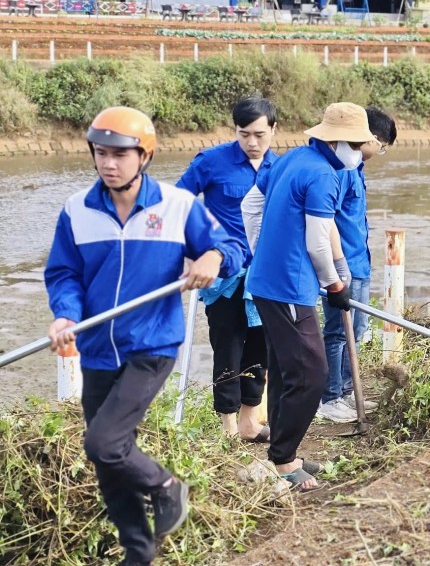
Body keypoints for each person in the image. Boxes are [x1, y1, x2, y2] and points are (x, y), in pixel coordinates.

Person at [45, 107, 244, 566]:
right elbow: (64, 274)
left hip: (150, 344)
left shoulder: (177, 206)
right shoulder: (77, 211)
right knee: (109, 460)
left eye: (119, 154)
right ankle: (138, 554)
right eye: (100, 153)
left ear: (144, 155)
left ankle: (168, 486)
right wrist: (64, 316)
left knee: (101, 442)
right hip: (96, 347)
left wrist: (212, 258)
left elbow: (230, 246)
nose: (108, 163)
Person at [240, 102, 376, 492]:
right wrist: (335, 285)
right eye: (353, 143)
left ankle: (286, 454)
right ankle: (283, 462)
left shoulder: (293, 159)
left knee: (286, 372)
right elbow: (316, 241)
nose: (358, 151)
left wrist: (261, 249)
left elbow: (253, 204)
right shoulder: (322, 175)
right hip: (287, 287)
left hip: (271, 282)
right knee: (313, 375)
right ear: (332, 141)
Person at [176, 97, 279, 442]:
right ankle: (228, 428)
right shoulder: (211, 162)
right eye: (244, 134)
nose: (252, 142)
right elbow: (179, 204)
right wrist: (194, 251)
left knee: (260, 347)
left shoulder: (279, 168)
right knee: (228, 347)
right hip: (224, 276)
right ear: (234, 130)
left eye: (259, 135)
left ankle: (250, 423)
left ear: (274, 131)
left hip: (265, 274)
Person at [316, 106, 397, 424]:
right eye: (383, 146)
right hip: (344, 266)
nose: (381, 151)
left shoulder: (355, 168)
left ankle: (348, 391)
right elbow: (327, 221)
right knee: (337, 331)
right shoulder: (341, 169)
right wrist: (337, 268)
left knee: (357, 330)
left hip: (359, 264)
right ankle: (330, 397)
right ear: (370, 139)